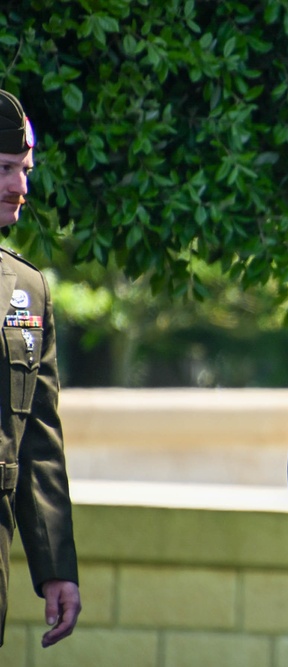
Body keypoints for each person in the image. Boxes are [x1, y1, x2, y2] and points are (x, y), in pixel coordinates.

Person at [0, 88, 81, 650]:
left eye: (25, 171)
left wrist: (55, 565)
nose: (21, 187)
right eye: (6, 169)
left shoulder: (27, 291)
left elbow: (39, 441)